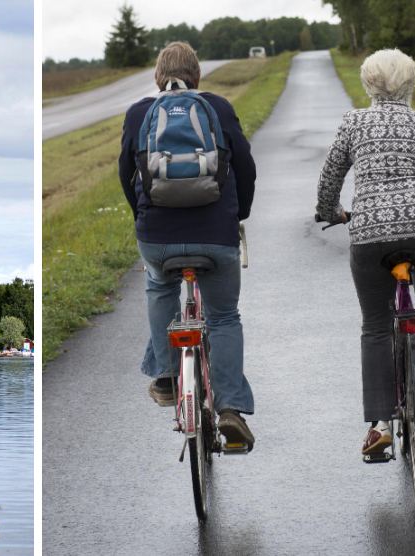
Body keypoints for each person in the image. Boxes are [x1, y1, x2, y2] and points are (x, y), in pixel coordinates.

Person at [315, 49, 415, 455]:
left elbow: (330, 176)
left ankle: (380, 425)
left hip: (369, 236)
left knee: (377, 326)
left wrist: (330, 212)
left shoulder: (353, 123)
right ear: (411, 83)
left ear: (368, 84)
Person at [118, 42, 258, 448]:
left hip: (157, 239)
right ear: (198, 78)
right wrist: (239, 213)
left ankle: (165, 377)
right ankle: (229, 408)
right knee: (224, 316)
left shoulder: (140, 113)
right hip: (217, 236)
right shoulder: (217, 107)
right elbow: (245, 166)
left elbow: (127, 172)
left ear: (156, 79)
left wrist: (140, 216)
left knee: (160, 286)